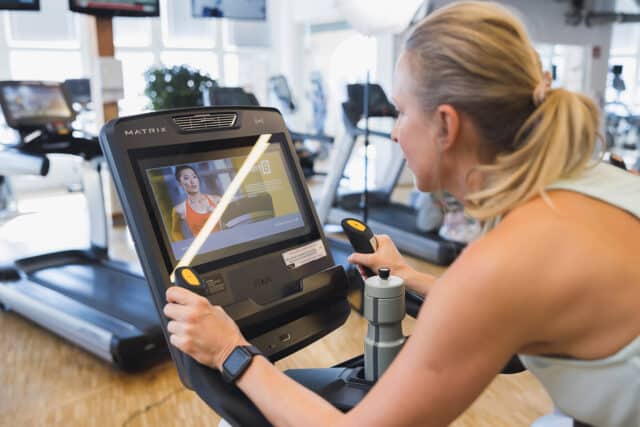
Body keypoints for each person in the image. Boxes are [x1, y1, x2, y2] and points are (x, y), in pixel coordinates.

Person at [163, 2, 640, 426]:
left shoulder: (503, 265)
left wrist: (231, 353)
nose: (394, 132)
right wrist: (411, 276)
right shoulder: (599, 176)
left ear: (446, 124)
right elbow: (518, 307)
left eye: (401, 111)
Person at [170, 165, 221, 242]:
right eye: (186, 178)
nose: (192, 181)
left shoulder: (216, 200)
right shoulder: (179, 209)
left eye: (194, 177)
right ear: (180, 183)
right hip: (203, 250)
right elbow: (175, 232)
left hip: (225, 243)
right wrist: (184, 247)